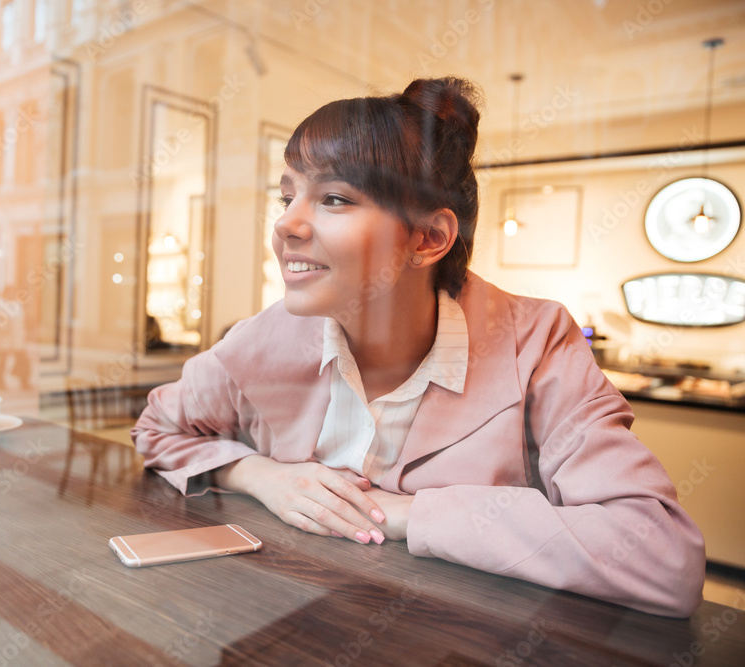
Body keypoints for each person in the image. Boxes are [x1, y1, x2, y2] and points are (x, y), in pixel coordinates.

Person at [131, 77, 705, 617]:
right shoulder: (266, 338)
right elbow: (157, 428)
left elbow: (661, 557)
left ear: (429, 239)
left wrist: (403, 512)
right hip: (285, 622)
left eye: (333, 198)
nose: (286, 225)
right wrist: (260, 476)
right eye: (287, 197)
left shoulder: (536, 342)